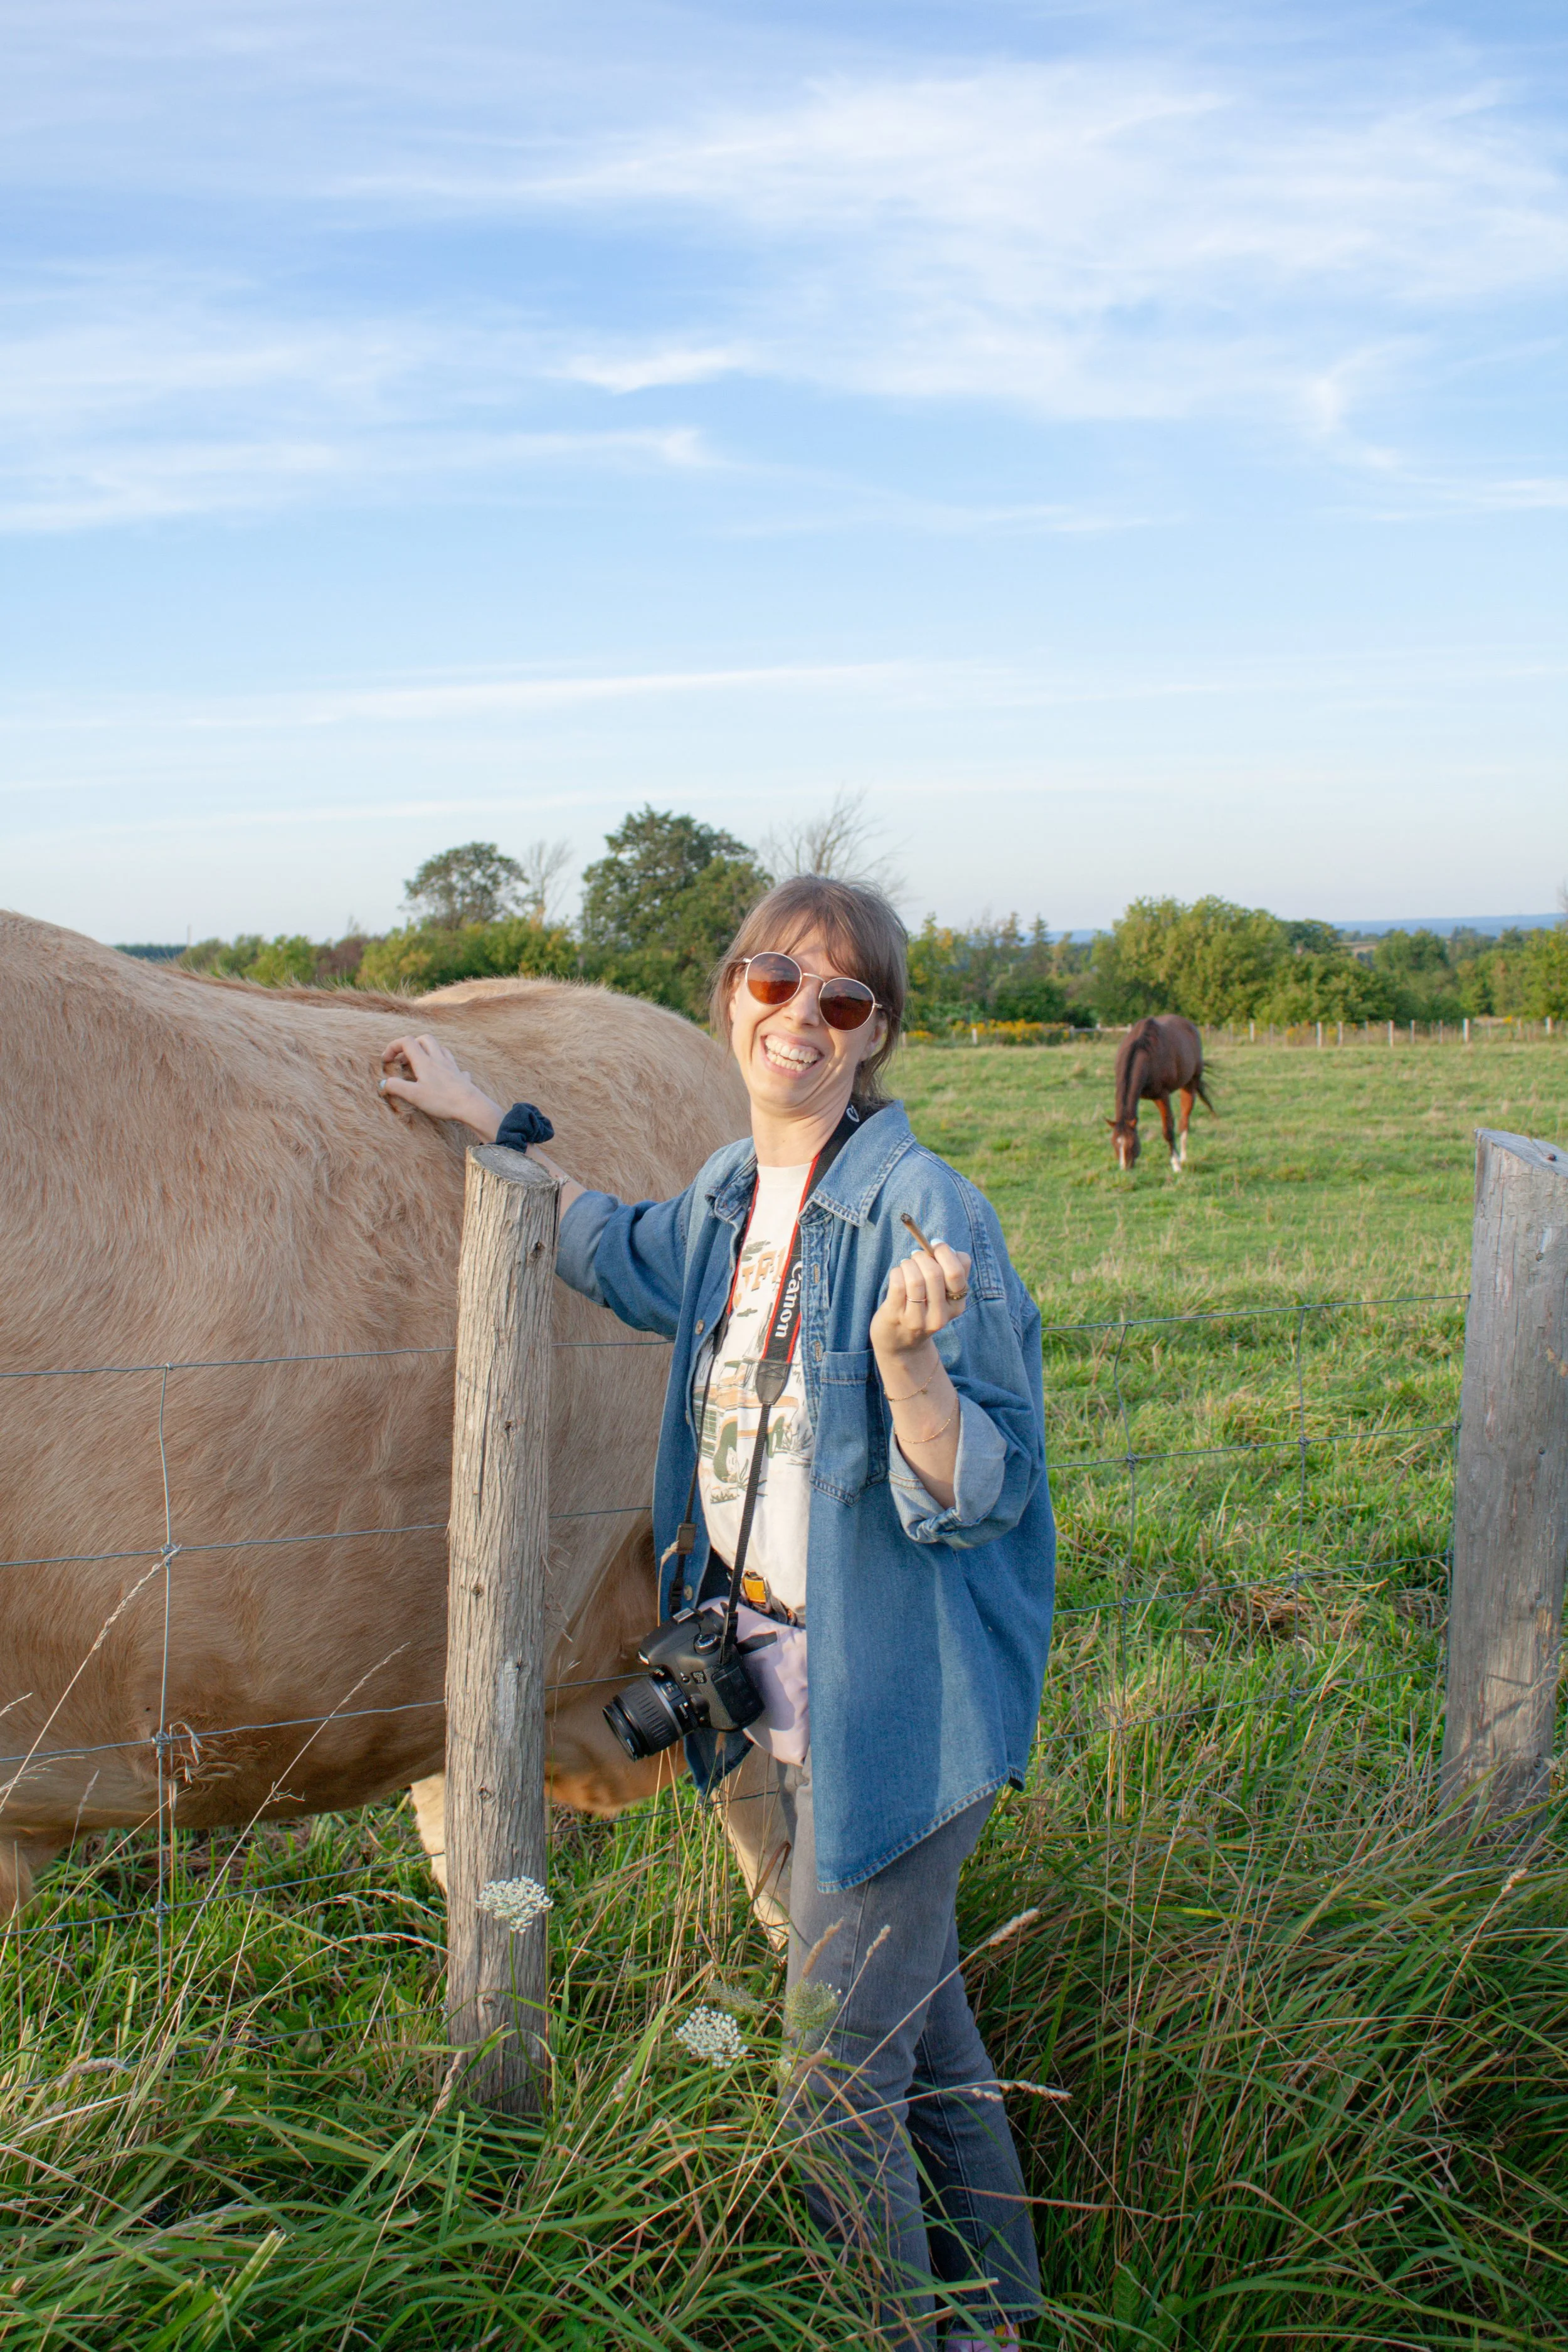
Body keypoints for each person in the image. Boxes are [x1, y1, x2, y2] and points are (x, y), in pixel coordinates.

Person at [379, 876, 1054, 2352]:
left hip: (904, 1708)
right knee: (923, 2047)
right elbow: (610, 1247)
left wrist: (910, 1369)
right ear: (732, 995)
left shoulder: (923, 1211)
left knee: (827, 2082)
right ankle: (1000, 2321)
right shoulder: (731, 1201)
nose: (798, 1023)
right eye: (773, 985)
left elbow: (988, 1485)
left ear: (875, 1036)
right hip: (786, 1694)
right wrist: (476, 1109)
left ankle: (882, 2329)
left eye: (840, 1003)